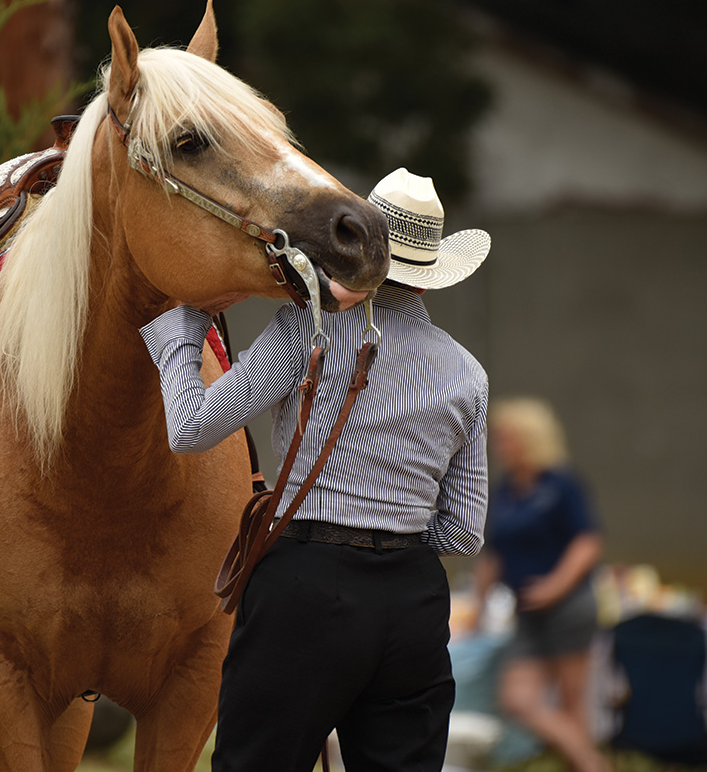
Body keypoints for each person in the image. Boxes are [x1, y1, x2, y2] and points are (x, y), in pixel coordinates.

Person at [139, 167, 491, 772]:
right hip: (414, 600)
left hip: (306, 586)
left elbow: (192, 429)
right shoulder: (467, 374)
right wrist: (390, 539)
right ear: (432, 279)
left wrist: (180, 329)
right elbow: (464, 531)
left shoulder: (309, 333)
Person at [472, 397, 607, 772]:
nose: (499, 447)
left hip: (568, 608)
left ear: (530, 438)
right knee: (517, 698)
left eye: (506, 438)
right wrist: (478, 608)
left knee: (571, 703)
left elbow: (587, 541)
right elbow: (494, 555)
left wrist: (555, 586)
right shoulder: (504, 491)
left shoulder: (561, 484)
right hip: (527, 614)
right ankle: (595, 764)